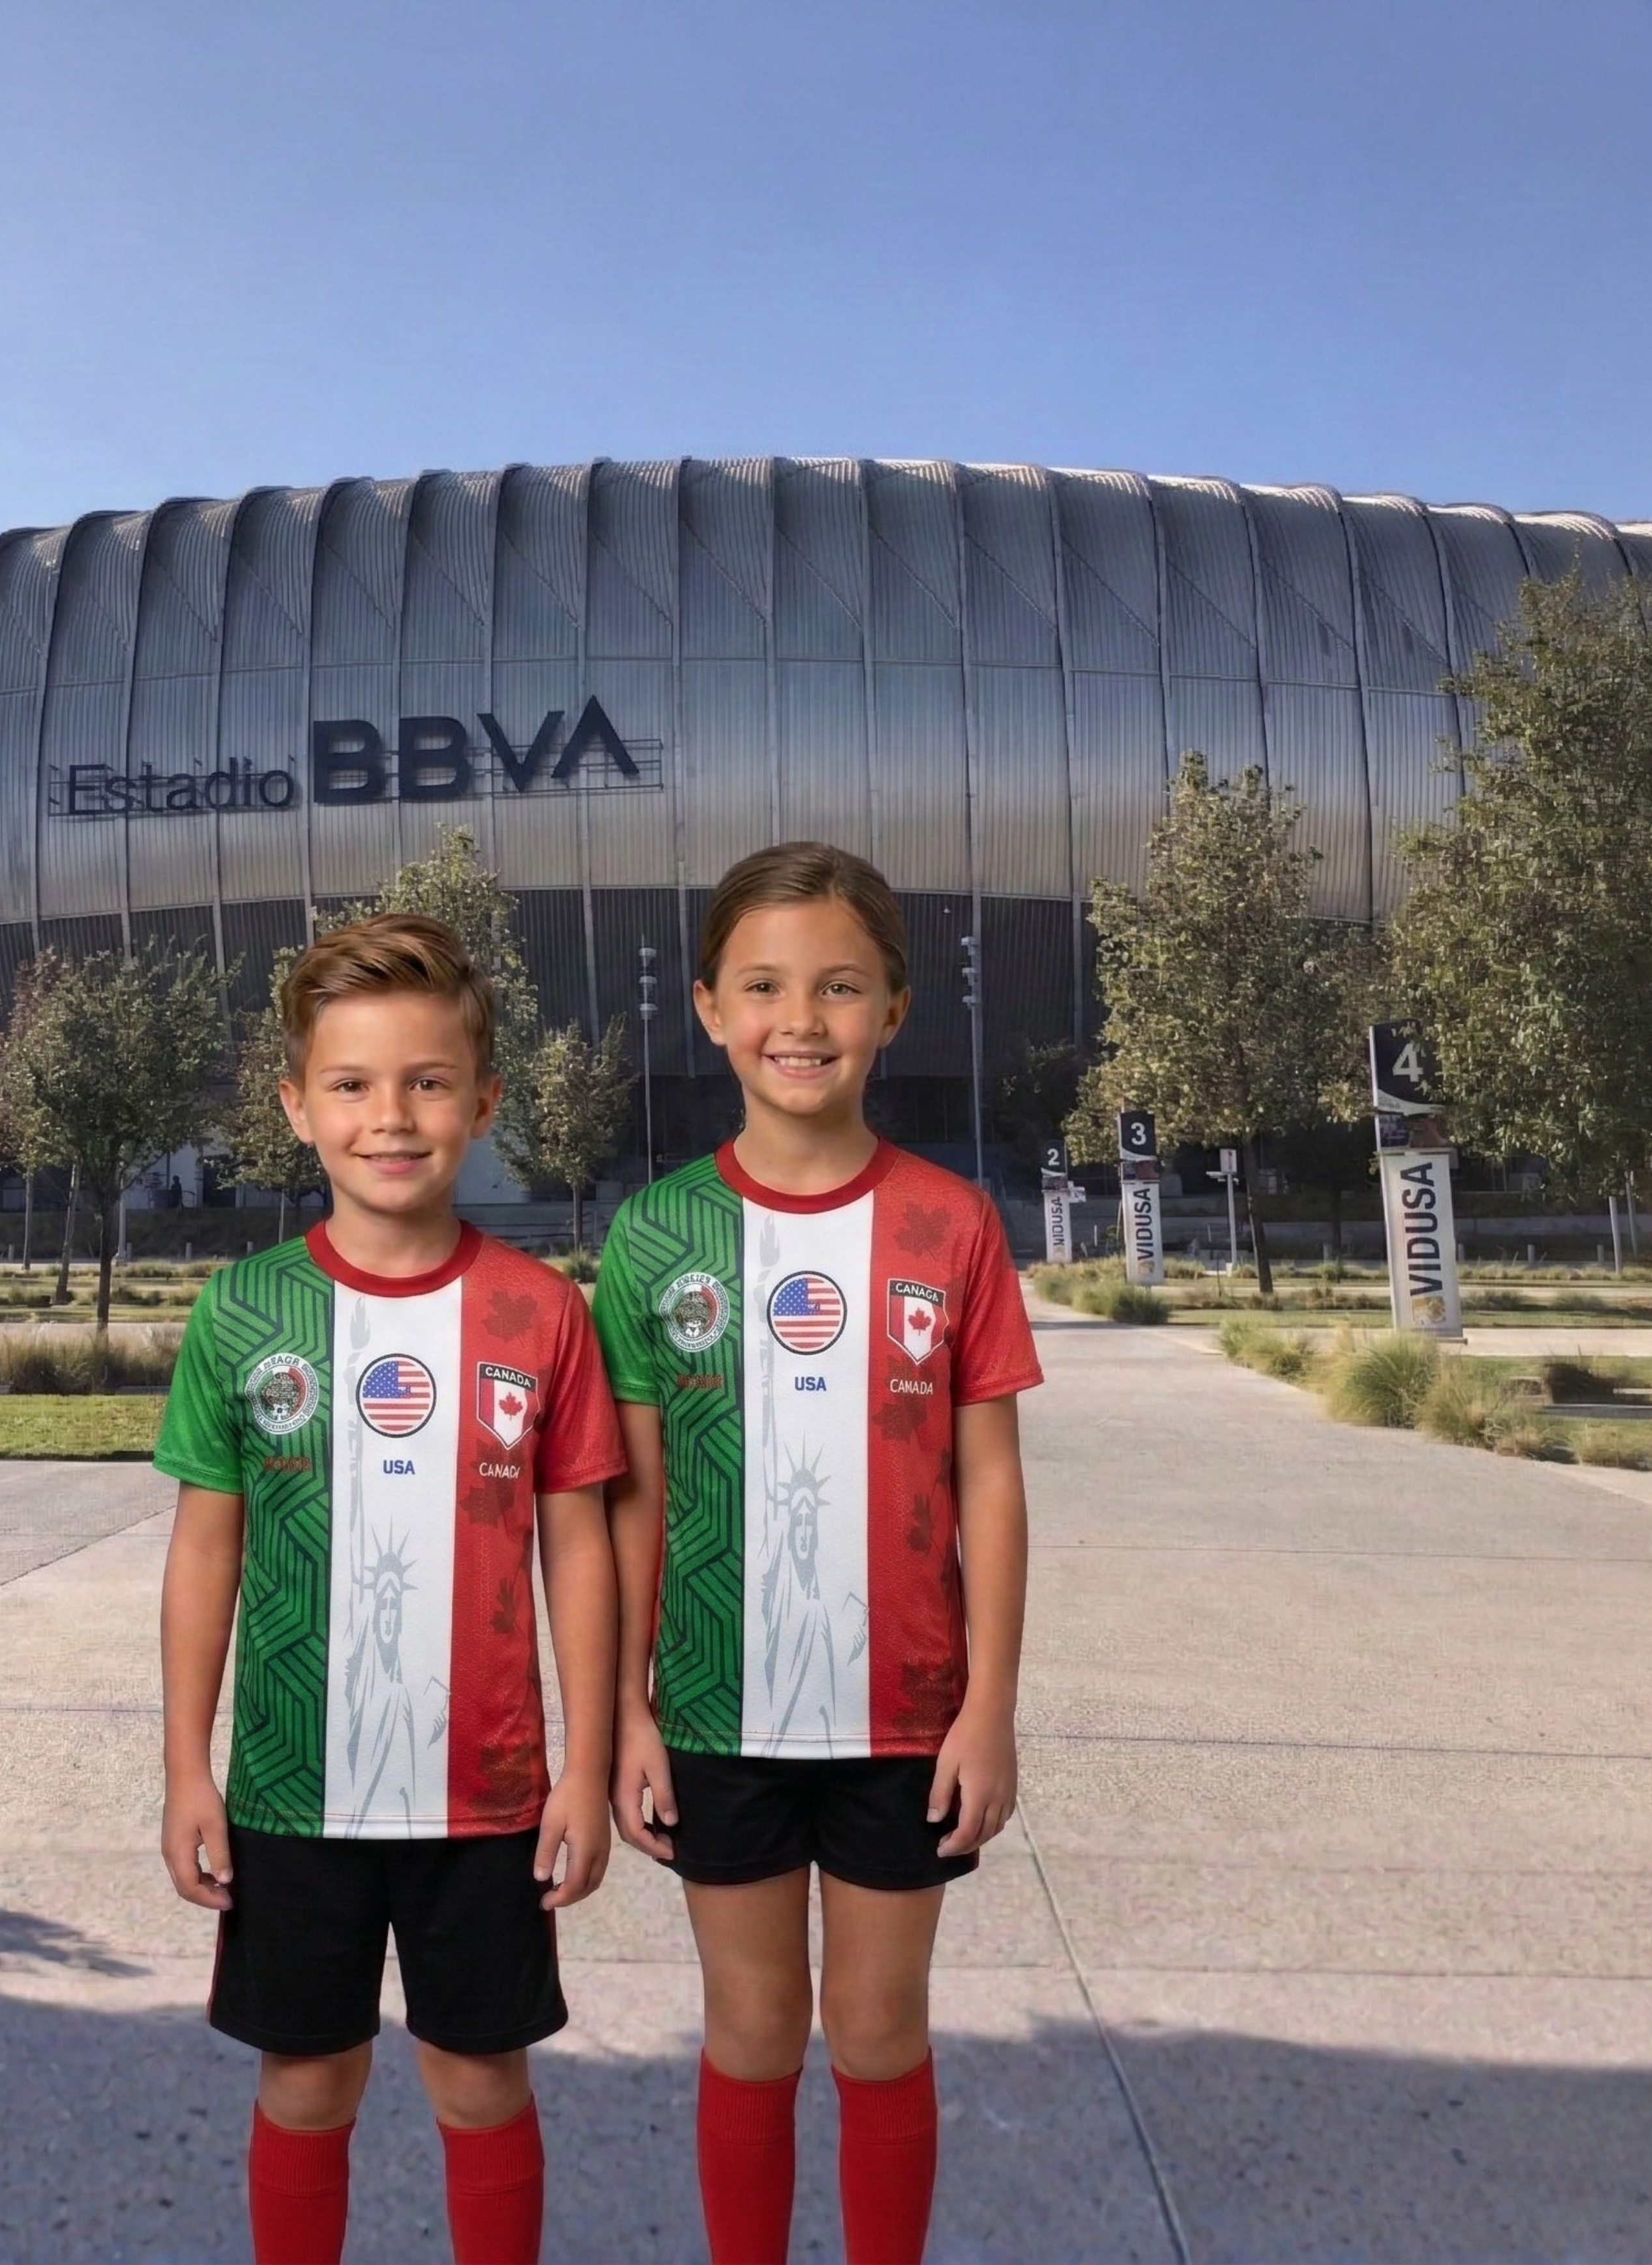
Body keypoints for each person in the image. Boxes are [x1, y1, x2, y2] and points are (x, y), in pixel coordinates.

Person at [594, 843, 1043, 2265]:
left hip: (905, 1718)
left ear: (895, 1007)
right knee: (750, 2026)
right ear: (712, 1008)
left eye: (839, 985)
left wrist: (989, 1709)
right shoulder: (657, 1232)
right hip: (716, 1717)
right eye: (768, 985)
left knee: (875, 2026)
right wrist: (619, 1712)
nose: (803, 1017)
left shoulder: (952, 1223)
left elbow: (990, 1483)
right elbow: (632, 1502)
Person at [155, 912, 623, 2265]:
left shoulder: (543, 1314)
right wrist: (190, 1766)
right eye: (353, 1084)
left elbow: (576, 1549)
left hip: (487, 1797)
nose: (391, 1115)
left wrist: (584, 1772)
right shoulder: (243, 1312)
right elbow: (205, 1551)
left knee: (482, 2082)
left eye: (426, 1081)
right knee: (308, 2081)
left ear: (480, 1103)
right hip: (292, 1795)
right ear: (298, 1107)